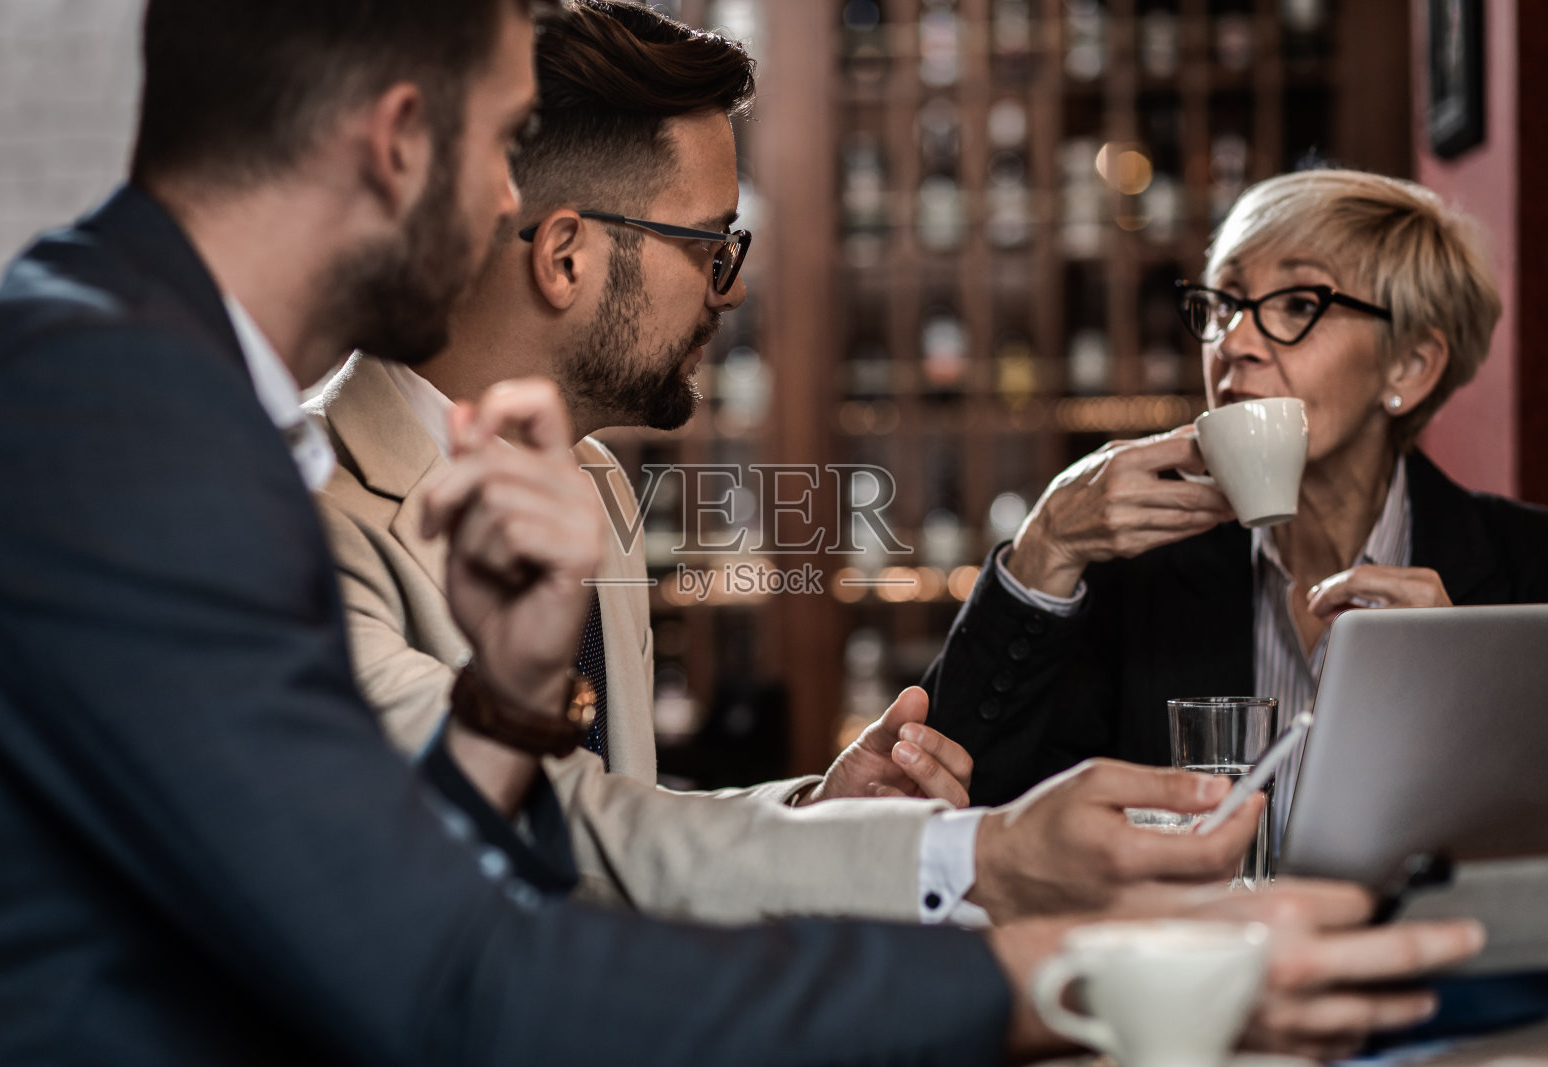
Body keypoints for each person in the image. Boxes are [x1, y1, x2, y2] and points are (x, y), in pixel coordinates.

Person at [309, 0, 1265, 927]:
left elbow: (622, 819)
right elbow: (552, 838)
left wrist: (821, 812)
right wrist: (969, 854)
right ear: (565, 257)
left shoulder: (592, 480)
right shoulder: (311, 517)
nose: (728, 295)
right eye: (711, 247)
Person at [922, 169, 1548, 822]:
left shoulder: (1528, 568)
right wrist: (1044, 548)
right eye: (1222, 303)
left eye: (1300, 306)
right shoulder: (1134, 569)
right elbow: (948, 798)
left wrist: (1470, 698)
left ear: (1410, 367)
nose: (1232, 343)